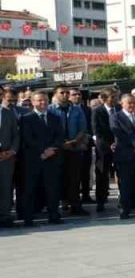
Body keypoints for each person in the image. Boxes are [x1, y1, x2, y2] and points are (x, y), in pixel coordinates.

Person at [19, 91, 65, 226]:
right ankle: (28, 218)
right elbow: (28, 138)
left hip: (52, 158)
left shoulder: (55, 118)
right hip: (34, 159)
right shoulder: (26, 118)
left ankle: (54, 215)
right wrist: (43, 151)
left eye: (45, 100)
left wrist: (51, 150)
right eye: (39, 100)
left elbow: (60, 136)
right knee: (30, 189)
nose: (43, 103)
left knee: (52, 188)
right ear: (33, 102)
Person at [49, 86, 89, 216]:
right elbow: (49, 130)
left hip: (74, 148)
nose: (65, 95)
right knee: (57, 178)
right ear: (55, 94)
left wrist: (74, 142)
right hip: (57, 149)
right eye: (62, 92)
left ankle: (75, 205)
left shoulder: (77, 110)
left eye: (67, 93)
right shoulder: (50, 110)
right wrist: (62, 143)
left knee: (74, 178)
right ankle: (57, 206)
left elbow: (82, 128)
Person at [91, 88, 117, 212]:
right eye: (112, 97)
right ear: (105, 98)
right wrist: (109, 145)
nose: (114, 99)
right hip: (103, 148)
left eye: (115, 97)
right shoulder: (98, 111)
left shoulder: (119, 110)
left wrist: (117, 143)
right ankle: (100, 201)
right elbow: (97, 131)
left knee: (122, 173)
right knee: (102, 174)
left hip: (120, 147)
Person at [0, 86, 18, 227]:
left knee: (6, 188)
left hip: (6, 157)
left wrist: (12, 151)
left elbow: (16, 135)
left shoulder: (8, 112)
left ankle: (5, 216)